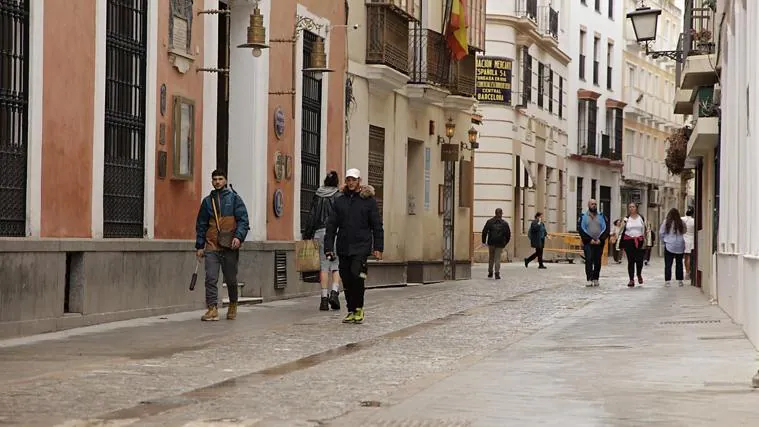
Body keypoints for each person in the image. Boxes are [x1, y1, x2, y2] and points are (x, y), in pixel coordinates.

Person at [324, 168, 384, 324]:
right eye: (348, 180)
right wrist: (328, 247)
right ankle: (351, 309)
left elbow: (377, 225)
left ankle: (359, 308)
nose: (351, 183)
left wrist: (378, 247)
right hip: (344, 246)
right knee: (346, 277)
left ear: (359, 181)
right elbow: (331, 226)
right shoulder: (340, 201)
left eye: (354, 180)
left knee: (358, 275)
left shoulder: (368, 201)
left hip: (362, 246)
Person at [195, 169, 250, 321]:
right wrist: (200, 246)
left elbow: (243, 221)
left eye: (220, 178)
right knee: (210, 278)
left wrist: (238, 237)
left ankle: (233, 304)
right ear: (211, 181)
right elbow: (201, 224)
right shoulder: (207, 202)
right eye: (214, 179)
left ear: (225, 180)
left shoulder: (235, 199)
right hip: (211, 244)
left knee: (231, 279)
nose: (217, 181)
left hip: (229, 245)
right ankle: (212, 308)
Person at [303, 171, 342, 311]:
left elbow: (312, 216)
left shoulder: (317, 195)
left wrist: (307, 235)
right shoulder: (338, 196)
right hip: (334, 233)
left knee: (324, 267)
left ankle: (324, 299)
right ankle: (335, 293)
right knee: (336, 265)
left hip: (318, 233)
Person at [616, 202, 650, 287]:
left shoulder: (642, 218)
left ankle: (639, 274)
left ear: (636, 208)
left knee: (639, 260)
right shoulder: (626, 219)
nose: (631, 208)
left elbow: (647, 230)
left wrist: (648, 242)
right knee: (630, 261)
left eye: (633, 207)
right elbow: (621, 231)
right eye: (630, 207)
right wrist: (619, 242)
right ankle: (631, 279)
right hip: (629, 241)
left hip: (640, 241)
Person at [578, 199, 609, 287]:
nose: (594, 205)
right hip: (588, 242)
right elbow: (581, 229)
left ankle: (596, 278)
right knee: (588, 259)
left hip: (599, 242)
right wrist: (588, 239)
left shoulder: (602, 216)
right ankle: (589, 278)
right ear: (588, 205)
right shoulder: (583, 216)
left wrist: (601, 239)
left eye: (595, 204)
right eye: (592, 204)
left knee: (597, 261)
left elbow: (606, 229)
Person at [481, 208, 511, 280]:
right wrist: (505, 243)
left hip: (491, 242)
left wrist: (483, 241)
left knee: (491, 257)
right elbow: (508, 234)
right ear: (501, 214)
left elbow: (484, 231)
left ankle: (490, 272)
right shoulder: (504, 223)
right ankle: (497, 273)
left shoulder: (490, 222)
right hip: (500, 243)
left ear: (495, 213)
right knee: (497, 258)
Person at [660, 208, 686, 287]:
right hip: (679, 245)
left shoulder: (666, 222)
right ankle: (680, 281)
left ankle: (667, 281)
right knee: (679, 263)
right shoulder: (681, 222)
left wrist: (664, 240)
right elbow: (685, 231)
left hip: (669, 245)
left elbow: (661, 232)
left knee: (668, 264)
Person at [682, 207, 695, 283]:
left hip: (683, 239)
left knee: (685, 257)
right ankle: (689, 272)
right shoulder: (693, 221)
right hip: (691, 240)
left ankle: (687, 272)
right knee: (689, 256)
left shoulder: (682, 219)